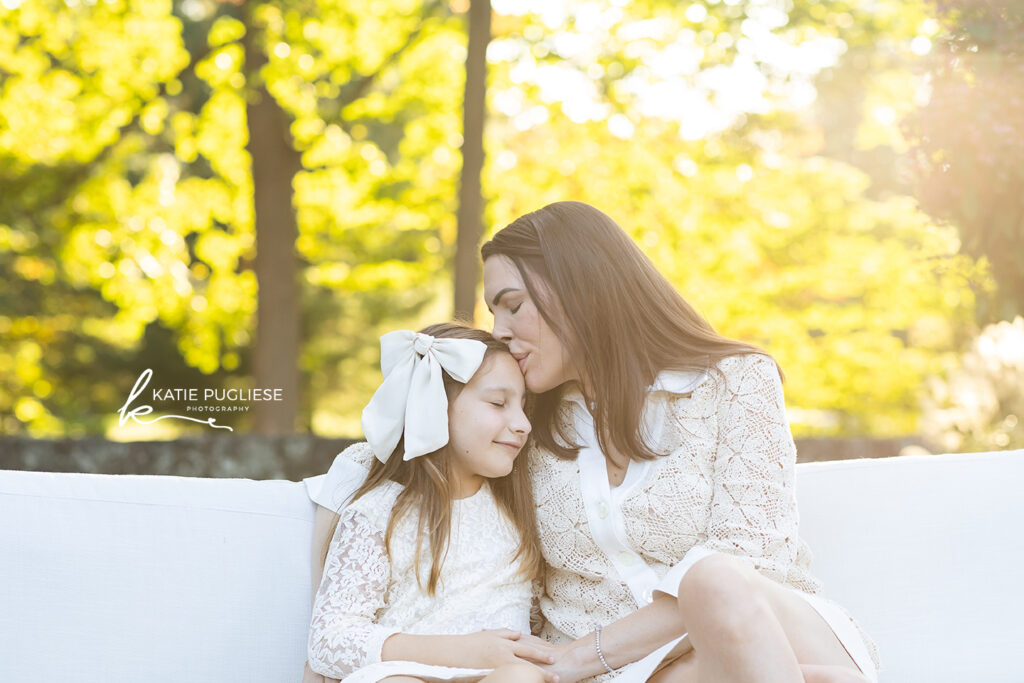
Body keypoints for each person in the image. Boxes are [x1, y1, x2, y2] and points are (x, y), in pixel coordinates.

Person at [476, 201, 880, 683]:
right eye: (494, 312)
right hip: (641, 676)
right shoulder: (521, 427)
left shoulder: (736, 381)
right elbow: (418, 478)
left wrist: (583, 656)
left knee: (713, 578)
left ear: (577, 285)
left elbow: (753, 556)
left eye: (513, 305)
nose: (499, 331)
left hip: (763, 632)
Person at [304, 322, 558, 683]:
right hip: (403, 674)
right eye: (499, 403)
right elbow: (329, 640)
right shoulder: (379, 512)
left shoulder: (515, 511)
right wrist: (463, 651)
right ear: (433, 405)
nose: (522, 424)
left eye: (523, 407)